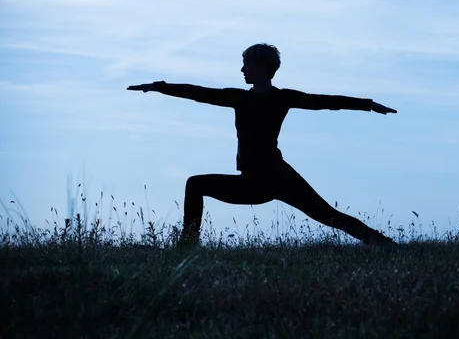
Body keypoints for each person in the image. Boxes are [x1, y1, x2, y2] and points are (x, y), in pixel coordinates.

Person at [127, 43, 398, 247]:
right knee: (195, 184)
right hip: (252, 182)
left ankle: (386, 246)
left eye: (246, 64)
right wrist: (157, 86)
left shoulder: (282, 98)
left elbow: (325, 101)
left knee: (329, 216)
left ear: (262, 67)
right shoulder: (238, 98)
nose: (242, 69)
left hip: (279, 177)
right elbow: (197, 93)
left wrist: (367, 105)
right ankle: (186, 248)